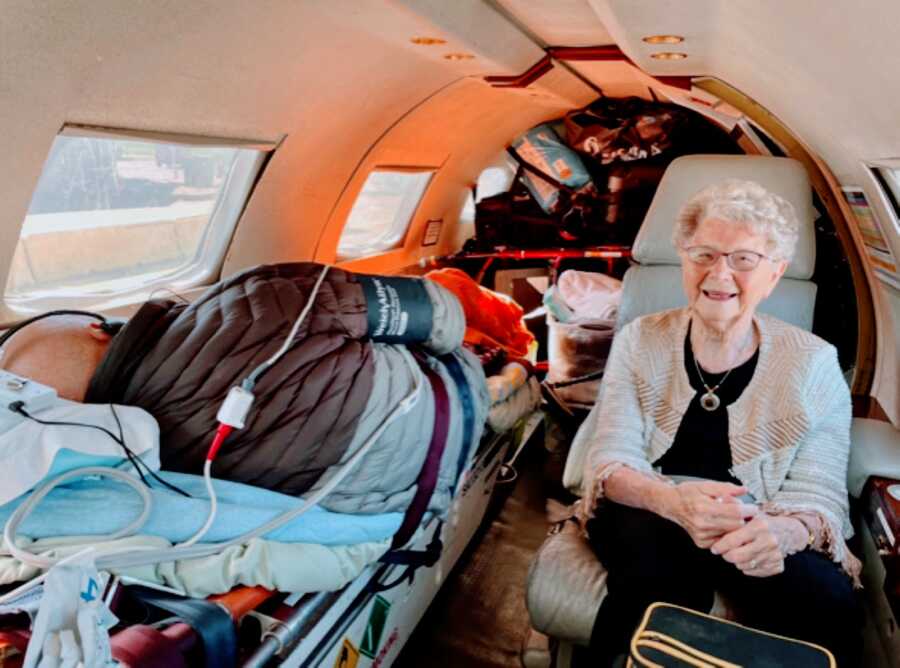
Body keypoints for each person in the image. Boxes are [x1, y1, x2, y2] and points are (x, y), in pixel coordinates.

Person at [576, 179, 863, 666]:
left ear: (774, 275)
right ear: (684, 260)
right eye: (704, 253)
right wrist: (671, 501)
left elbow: (821, 492)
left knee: (828, 597)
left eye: (744, 259)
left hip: (759, 517)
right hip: (650, 506)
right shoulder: (639, 340)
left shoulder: (814, 362)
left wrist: (784, 533)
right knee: (657, 572)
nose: (719, 273)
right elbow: (612, 457)